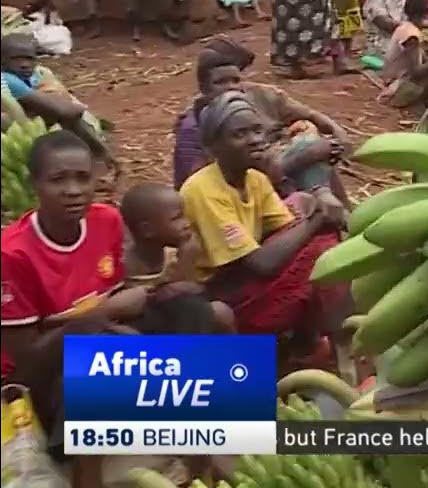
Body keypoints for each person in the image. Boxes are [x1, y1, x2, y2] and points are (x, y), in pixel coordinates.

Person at [0, 132, 150, 488]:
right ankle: (87, 478)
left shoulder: (106, 221)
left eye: (82, 178)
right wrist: (93, 319)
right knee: (97, 365)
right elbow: (26, 363)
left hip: (95, 337)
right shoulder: (12, 254)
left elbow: (115, 300)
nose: (73, 190)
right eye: (58, 180)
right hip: (36, 382)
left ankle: (217, 434)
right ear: (34, 184)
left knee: (193, 305)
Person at [179, 91, 349, 359]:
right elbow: (261, 264)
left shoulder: (254, 179)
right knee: (321, 249)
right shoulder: (202, 189)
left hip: (246, 278)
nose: (256, 140)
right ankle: (327, 343)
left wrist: (317, 202)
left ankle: (309, 336)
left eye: (258, 131)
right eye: (240, 135)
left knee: (303, 204)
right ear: (213, 147)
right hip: (222, 297)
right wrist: (318, 218)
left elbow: (287, 225)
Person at [172, 41, 351, 211]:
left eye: (235, 81)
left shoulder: (252, 100)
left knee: (308, 138)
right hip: (228, 205)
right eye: (220, 82)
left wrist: (333, 138)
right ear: (203, 88)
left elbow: (309, 116)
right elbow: (211, 185)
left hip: (265, 185)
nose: (230, 88)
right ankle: (333, 207)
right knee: (311, 156)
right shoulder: (193, 128)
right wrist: (303, 156)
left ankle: (335, 206)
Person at [118, 182, 236, 334]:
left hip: (176, 317)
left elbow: (189, 292)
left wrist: (187, 258)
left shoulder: (173, 255)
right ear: (148, 230)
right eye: (177, 218)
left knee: (220, 311)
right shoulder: (124, 263)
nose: (187, 223)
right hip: (139, 324)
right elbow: (173, 295)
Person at [2, 33, 111, 163]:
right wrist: (72, 106)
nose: (25, 64)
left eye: (29, 59)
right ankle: (100, 154)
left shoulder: (36, 74)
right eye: (16, 59)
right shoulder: (7, 79)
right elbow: (64, 111)